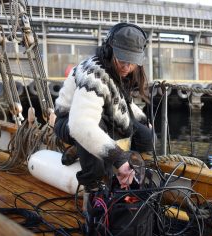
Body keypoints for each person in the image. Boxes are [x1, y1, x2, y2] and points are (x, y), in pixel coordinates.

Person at [54, 23, 153, 193]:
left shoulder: (119, 71)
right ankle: (94, 184)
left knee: (147, 137)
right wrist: (118, 158)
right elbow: (81, 124)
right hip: (69, 121)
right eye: (122, 59)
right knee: (95, 127)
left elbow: (122, 103)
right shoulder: (93, 75)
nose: (127, 67)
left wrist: (143, 121)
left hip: (103, 115)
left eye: (132, 61)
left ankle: (87, 150)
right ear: (109, 51)